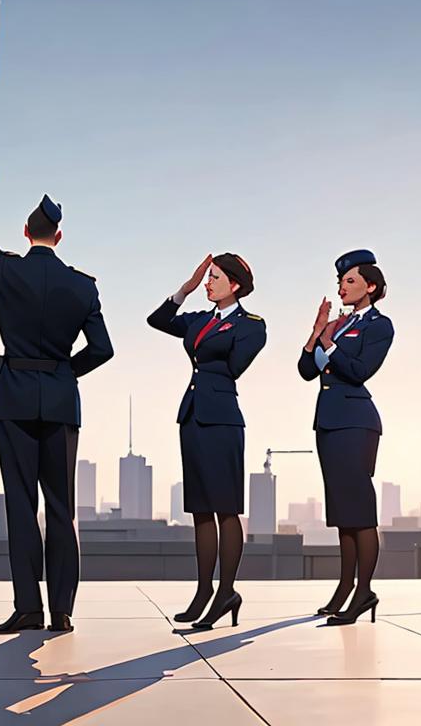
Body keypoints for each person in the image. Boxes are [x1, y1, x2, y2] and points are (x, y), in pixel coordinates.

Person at [0, 167, 114, 635]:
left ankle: (28, 608)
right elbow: (103, 349)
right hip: (61, 401)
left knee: (21, 505)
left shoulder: (7, 269)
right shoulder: (83, 286)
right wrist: (65, 372)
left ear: (27, 233)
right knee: (62, 507)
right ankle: (62, 610)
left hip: (15, 400)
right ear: (58, 236)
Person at [147, 253, 266, 630]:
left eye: (215, 278)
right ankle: (203, 590)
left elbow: (233, 366)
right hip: (193, 417)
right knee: (200, 508)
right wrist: (186, 287)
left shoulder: (251, 325)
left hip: (222, 420)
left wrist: (216, 340)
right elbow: (158, 320)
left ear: (234, 285)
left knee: (226, 509)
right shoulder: (198, 320)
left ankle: (226, 591)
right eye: (207, 277)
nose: (208, 283)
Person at [298, 249, 393, 625]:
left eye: (350, 281)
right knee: (342, 513)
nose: (342, 287)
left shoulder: (378, 325)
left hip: (356, 421)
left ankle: (364, 591)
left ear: (371, 286)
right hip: (329, 422)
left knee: (360, 511)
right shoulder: (338, 324)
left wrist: (329, 342)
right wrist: (317, 332)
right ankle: (345, 587)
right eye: (340, 282)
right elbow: (306, 370)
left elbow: (359, 370)